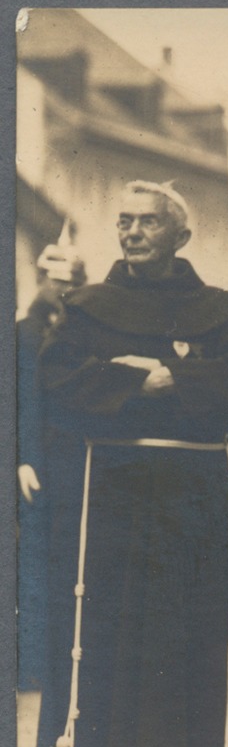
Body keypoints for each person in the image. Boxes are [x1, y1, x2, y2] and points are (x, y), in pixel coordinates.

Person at [35, 181, 228, 747]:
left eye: (149, 223)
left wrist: (165, 375)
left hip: (190, 488)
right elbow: (57, 381)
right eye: (125, 222)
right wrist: (148, 377)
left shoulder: (221, 312)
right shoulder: (85, 308)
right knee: (103, 626)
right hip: (110, 482)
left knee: (180, 626)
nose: (132, 232)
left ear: (180, 236)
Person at [18, 241, 87, 692]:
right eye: (56, 281)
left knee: (70, 564)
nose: (62, 290)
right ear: (42, 280)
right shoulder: (23, 332)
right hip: (35, 462)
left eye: (71, 283)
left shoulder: (82, 331)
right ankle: (33, 663)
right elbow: (21, 401)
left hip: (74, 459)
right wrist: (23, 458)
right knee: (35, 565)